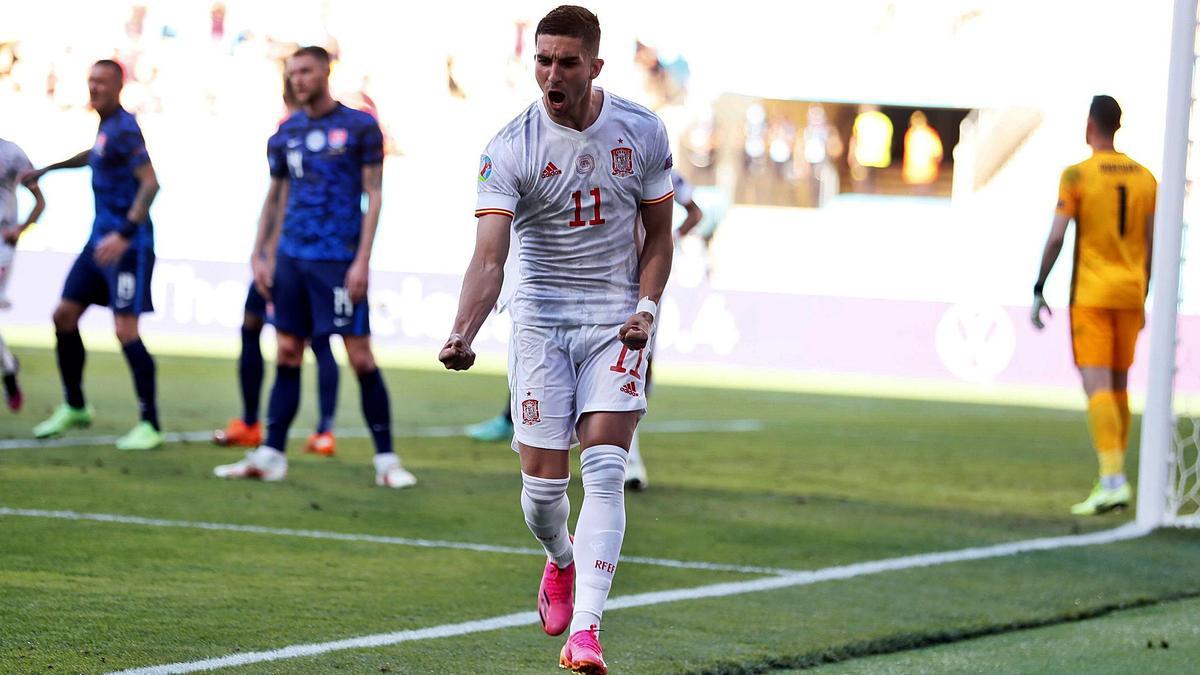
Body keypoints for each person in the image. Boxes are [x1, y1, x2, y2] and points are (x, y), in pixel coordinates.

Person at [438, 7, 674, 672]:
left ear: (595, 66)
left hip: (614, 322)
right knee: (543, 497)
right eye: (543, 60)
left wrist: (648, 306)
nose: (552, 73)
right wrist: (464, 329)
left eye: (566, 62)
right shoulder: (510, 144)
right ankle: (561, 559)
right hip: (540, 321)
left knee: (604, 469)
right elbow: (489, 258)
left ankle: (588, 634)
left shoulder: (642, 130)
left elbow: (660, 235)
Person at [213, 46, 414, 488]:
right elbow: (276, 195)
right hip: (290, 258)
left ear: (326, 71)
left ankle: (386, 462)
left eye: (306, 71)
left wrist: (362, 259)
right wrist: (260, 252)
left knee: (359, 356)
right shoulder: (286, 132)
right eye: (293, 73)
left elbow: (373, 194)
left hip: (337, 261)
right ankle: (271, 455)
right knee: (286, 352)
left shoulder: (360, 127)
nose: (299, 79)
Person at [21, 60, 163, 449]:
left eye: (102, 82)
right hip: (97, 242)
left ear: (119, 86)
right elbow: (95, 155)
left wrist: (125, 234)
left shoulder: (126, 127)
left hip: (127, 247)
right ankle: (76, 406)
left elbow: (151, 184)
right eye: (91, 81)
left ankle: (150, 423)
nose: (95, 88)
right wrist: (49, 168)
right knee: (63, 316)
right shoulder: (107, 128)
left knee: (125, 330)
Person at [1032, 95, 1156, 516]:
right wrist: (1143, 293)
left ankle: (1113, 481)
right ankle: (1114, 480)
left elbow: (1055, 237)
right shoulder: (1146, 179)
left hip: (1092, 295)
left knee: (1096, 386)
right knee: (1120, 386)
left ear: (1089, 126)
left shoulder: (1077, 175)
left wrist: (1039, 286)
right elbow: (1150, 244)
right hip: (1131, 292)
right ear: (1117, 126)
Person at [214, 80, 342, 456]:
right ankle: (251, 421)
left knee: (317, 340)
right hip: (278, 257)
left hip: (307, 259)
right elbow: (273, 201)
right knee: (250, 325)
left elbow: (289, 202)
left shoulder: (315, 145)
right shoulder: (286, 140)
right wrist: (260, 253)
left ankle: (324, 430)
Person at [0, 135, 47, 412]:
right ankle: (8, 367)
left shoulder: (12, 153)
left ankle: (8, 371)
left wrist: (20, 229)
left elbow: (40, 201)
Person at [902, 110, 943, 194]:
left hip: (916, 173)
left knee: (918, 196)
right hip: (925, 173)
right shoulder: (930, 134)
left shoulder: (910, 134)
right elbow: (938, 154)